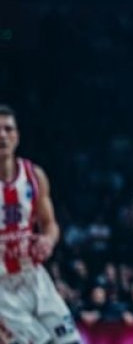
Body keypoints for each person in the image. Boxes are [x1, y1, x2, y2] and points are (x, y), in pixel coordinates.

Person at [0, 105, 81, 344]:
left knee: (70, 341)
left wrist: (48, 240)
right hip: (2, 285)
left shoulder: (34, 175)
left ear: (17, 135)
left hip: (34, 277)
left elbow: (49, 224)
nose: (2, 135)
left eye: (8, 129)